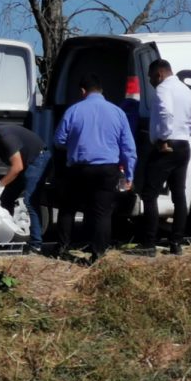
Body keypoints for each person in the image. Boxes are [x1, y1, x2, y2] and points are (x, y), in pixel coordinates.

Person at [54, 74, 137, 263]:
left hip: (79, 168)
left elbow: (58, 140)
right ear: (101, 90)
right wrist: (130, 175)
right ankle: (98, 253)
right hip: (107, 168)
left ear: (82, 91)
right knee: (102, 212)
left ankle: (63, 248)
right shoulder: (118, 112)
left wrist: (75, 145)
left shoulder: (73, 110)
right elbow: (128, 148)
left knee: (68, 208)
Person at [132, 59, 191, 257]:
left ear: (159, 74)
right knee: (179, 195)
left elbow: (166, 112)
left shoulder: (163, 89)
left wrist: (163, 138)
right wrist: (182, 134)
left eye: (152, 77)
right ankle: (176, 242)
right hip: (184, 145)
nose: (151, 82)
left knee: (149, 194)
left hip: (167, 145)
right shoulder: (187, 91)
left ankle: (149, 243)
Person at [0, 120, 51, 253]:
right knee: (5, 199)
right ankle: (6, 240)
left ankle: (36, 245)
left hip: (38, 159)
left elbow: (17, 167)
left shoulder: (6, 137)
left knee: (30, 200)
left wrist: (0, 186)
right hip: (22, 163)